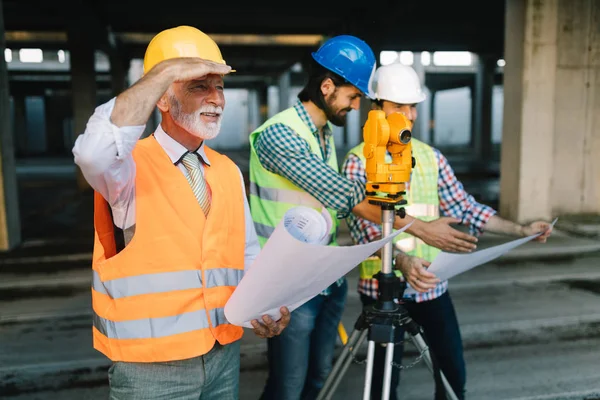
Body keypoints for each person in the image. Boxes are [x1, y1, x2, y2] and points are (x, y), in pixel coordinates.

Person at [249, 35, 477, 400]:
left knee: (317, 377)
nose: (357, 105)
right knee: (287, 385)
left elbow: (332, 210)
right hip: (288, 285)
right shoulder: (280, 134)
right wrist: (418, 229)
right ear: (327, 87)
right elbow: (344, 195)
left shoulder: (322, 136)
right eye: (353, 96)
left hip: (323, 281)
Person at [72, 25, 290, 400]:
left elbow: (245, 255)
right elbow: (92, 153)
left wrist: (266, 306)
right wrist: (165, 72)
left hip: (222, 356)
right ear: (161, 97)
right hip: (152, 371)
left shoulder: (227, 170)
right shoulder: (126, 168)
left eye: (219, 86)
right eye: (198, 86)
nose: (216, 98)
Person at [340, 62, 554, 400]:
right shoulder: (357, 161)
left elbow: (464, 207)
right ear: (377, 107)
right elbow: (364, 230)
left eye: (413, 106)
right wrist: (402, 261)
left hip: (432, 289)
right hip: (382, 291)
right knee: (383, 383)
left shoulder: (430, 157)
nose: (409, 116)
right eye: (399, 107)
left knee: (453, 374)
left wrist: (520, 228)